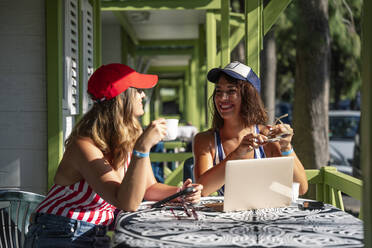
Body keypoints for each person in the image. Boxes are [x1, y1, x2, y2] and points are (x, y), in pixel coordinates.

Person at [24, 63, 202, 247]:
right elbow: (126, 202)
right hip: (59, 232)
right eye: (138, 90)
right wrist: (142, 148)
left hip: (95, 232)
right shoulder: (84, 145)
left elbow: (148, 188)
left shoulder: (129, 136)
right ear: (121, 98)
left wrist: (180, 193)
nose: (143, 95)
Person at [193, 61, 308, 197]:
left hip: (267, 215)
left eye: (231, 91)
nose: (222, 98)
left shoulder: (267, 135)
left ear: (248, 96)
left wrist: (286, 146)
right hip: (226, 218)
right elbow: (202, 190)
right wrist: (237, 154)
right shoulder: (206, 140)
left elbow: (300, 188)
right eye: (219, 91)